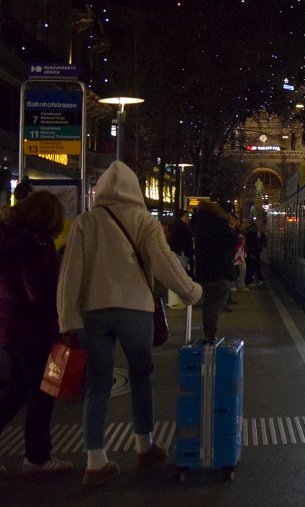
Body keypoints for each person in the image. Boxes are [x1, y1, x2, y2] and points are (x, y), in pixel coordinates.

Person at [57, 161, 203, 487]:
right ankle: (144, 446)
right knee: (141, 377)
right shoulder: (144, 221)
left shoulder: (86, 222)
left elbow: (70, 275)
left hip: (92, 313)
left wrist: (67, 317)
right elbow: (166, 265)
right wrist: (191, 292)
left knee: (98, 385)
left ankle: (96, 462)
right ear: (135, 189)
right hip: (135, 311)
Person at [0, 191, 74, 475]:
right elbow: (38, 292)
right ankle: (38, 458)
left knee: (16, 392)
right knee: (45, 392)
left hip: (9, 329)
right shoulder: (35, 244)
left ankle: (38, 456)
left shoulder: (8, 238)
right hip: (38, 331)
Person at [189, 198, 237, 337]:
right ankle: (210, 336)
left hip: (206, 271)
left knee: (209, 304)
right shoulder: (218, 225)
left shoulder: (201, 225)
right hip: (219, 270)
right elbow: (231, 241)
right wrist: (231, 229)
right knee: (214, 305)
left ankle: (209, 335)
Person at [166, 209, 193, 308]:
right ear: (182, 217)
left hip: (177, 253)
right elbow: (186, 242)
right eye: (187, 216)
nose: (188, 219)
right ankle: (177, 301)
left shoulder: (175, 226)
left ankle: (175, 300)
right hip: (181, 254)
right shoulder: (183, 227)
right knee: (180, 276)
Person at [244, 221, 266, 287]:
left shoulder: (250, 233)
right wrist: (253, 253)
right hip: (254, 253)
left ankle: (255, 280)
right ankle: (253, 281)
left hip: (254, 253)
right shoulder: (252, 234)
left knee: (254, 267)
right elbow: (253, 244)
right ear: (253, 227)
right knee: (254, 267)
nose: (257, 227)